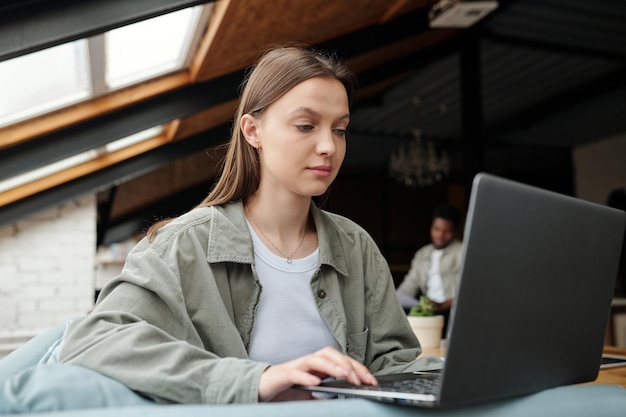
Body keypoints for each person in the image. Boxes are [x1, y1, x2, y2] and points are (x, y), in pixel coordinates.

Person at [58, 45, 434, 405]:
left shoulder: (356, 247)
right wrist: (257, 379)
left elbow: (394, 366)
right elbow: (93, 340)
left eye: (339, 129)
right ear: (252, 131)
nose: (328, 147)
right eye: (306, 125)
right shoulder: (183, 245)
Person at [396, 204, 463, 335]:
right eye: (436, 229)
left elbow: (470, 288)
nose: (440, 235)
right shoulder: (423, 254)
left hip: (455, 312)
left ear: (455, 231)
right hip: (429, 312)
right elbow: (409, 286)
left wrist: (445, 305)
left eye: (447, 231)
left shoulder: (462, 252)